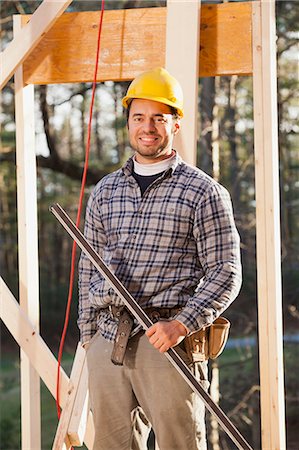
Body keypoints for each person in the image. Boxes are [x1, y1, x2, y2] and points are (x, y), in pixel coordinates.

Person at [78, 67, 242, 450]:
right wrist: (88, 339)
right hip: (107, 340)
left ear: (176, 124)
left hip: (165, 342)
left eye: (158, 118)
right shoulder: (105, 192)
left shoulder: (204, 192)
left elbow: (226, 271)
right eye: (139, 117)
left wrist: (182, 325)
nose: (147, 127)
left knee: (179, 444)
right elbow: (89, 267)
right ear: (128, 122)